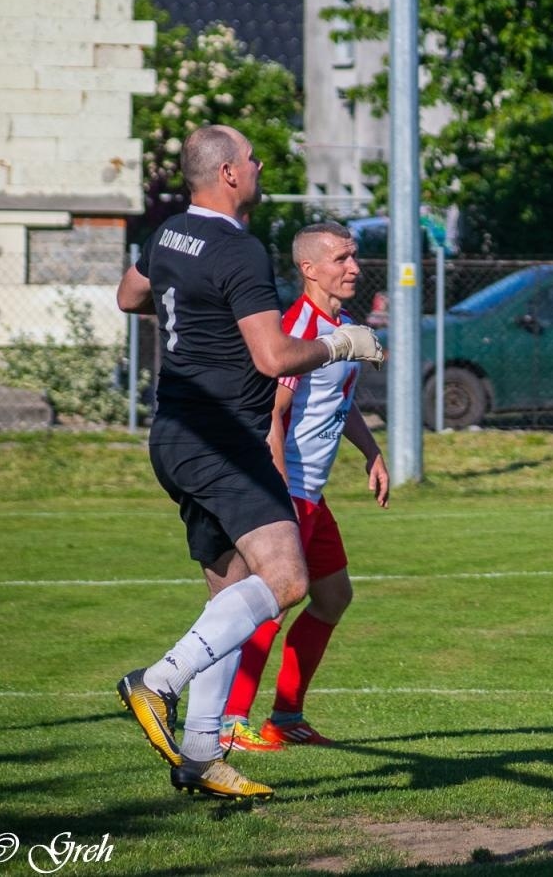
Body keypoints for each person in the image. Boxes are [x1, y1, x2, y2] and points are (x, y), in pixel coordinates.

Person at [115, 125, 382, 799]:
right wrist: (341, 344)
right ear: (230, 173)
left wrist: (192, 309)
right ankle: (157, 681)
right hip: (223, 440)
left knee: (229, 598)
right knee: (287, 581)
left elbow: (129, 297)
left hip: (172, 435)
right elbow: (274, 358)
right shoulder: (239, 248)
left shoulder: (169, 233)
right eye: (253, 159)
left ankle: (201, 757)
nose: (261, 166)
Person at [220, 222, 390, 752]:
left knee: (334, 597)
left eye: (354, 257)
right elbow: (274, 413)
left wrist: (371, 451)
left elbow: (339, 399)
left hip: (313, 494)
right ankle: (230, 722)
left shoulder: (341, 329)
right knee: (275, 601)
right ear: (309, 268)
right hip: (288, 492)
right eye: (341, 258)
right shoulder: (296, 329)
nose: (354, 268)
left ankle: (287, 715)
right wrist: (277, 495)